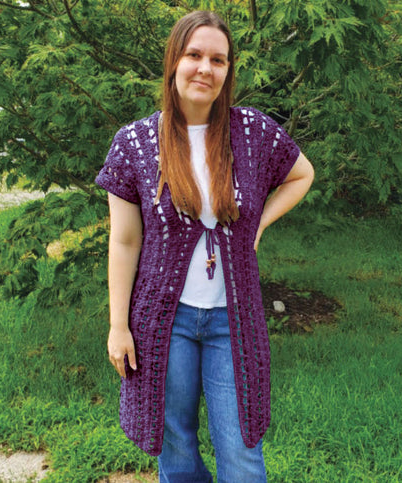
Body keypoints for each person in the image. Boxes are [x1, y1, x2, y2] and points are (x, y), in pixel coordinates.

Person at [96, 10, 314, 483]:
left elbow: (302, 174)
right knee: (175, 445)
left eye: (218, 60)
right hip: (163, 321)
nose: (205, 68)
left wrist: (259, 222)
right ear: (174, 61)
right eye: (194, 55)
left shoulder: (251, 132)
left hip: (232, 321)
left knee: (240, 452)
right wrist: (118, 326)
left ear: (228, 70)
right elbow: (125, 241)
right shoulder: (135, 143)